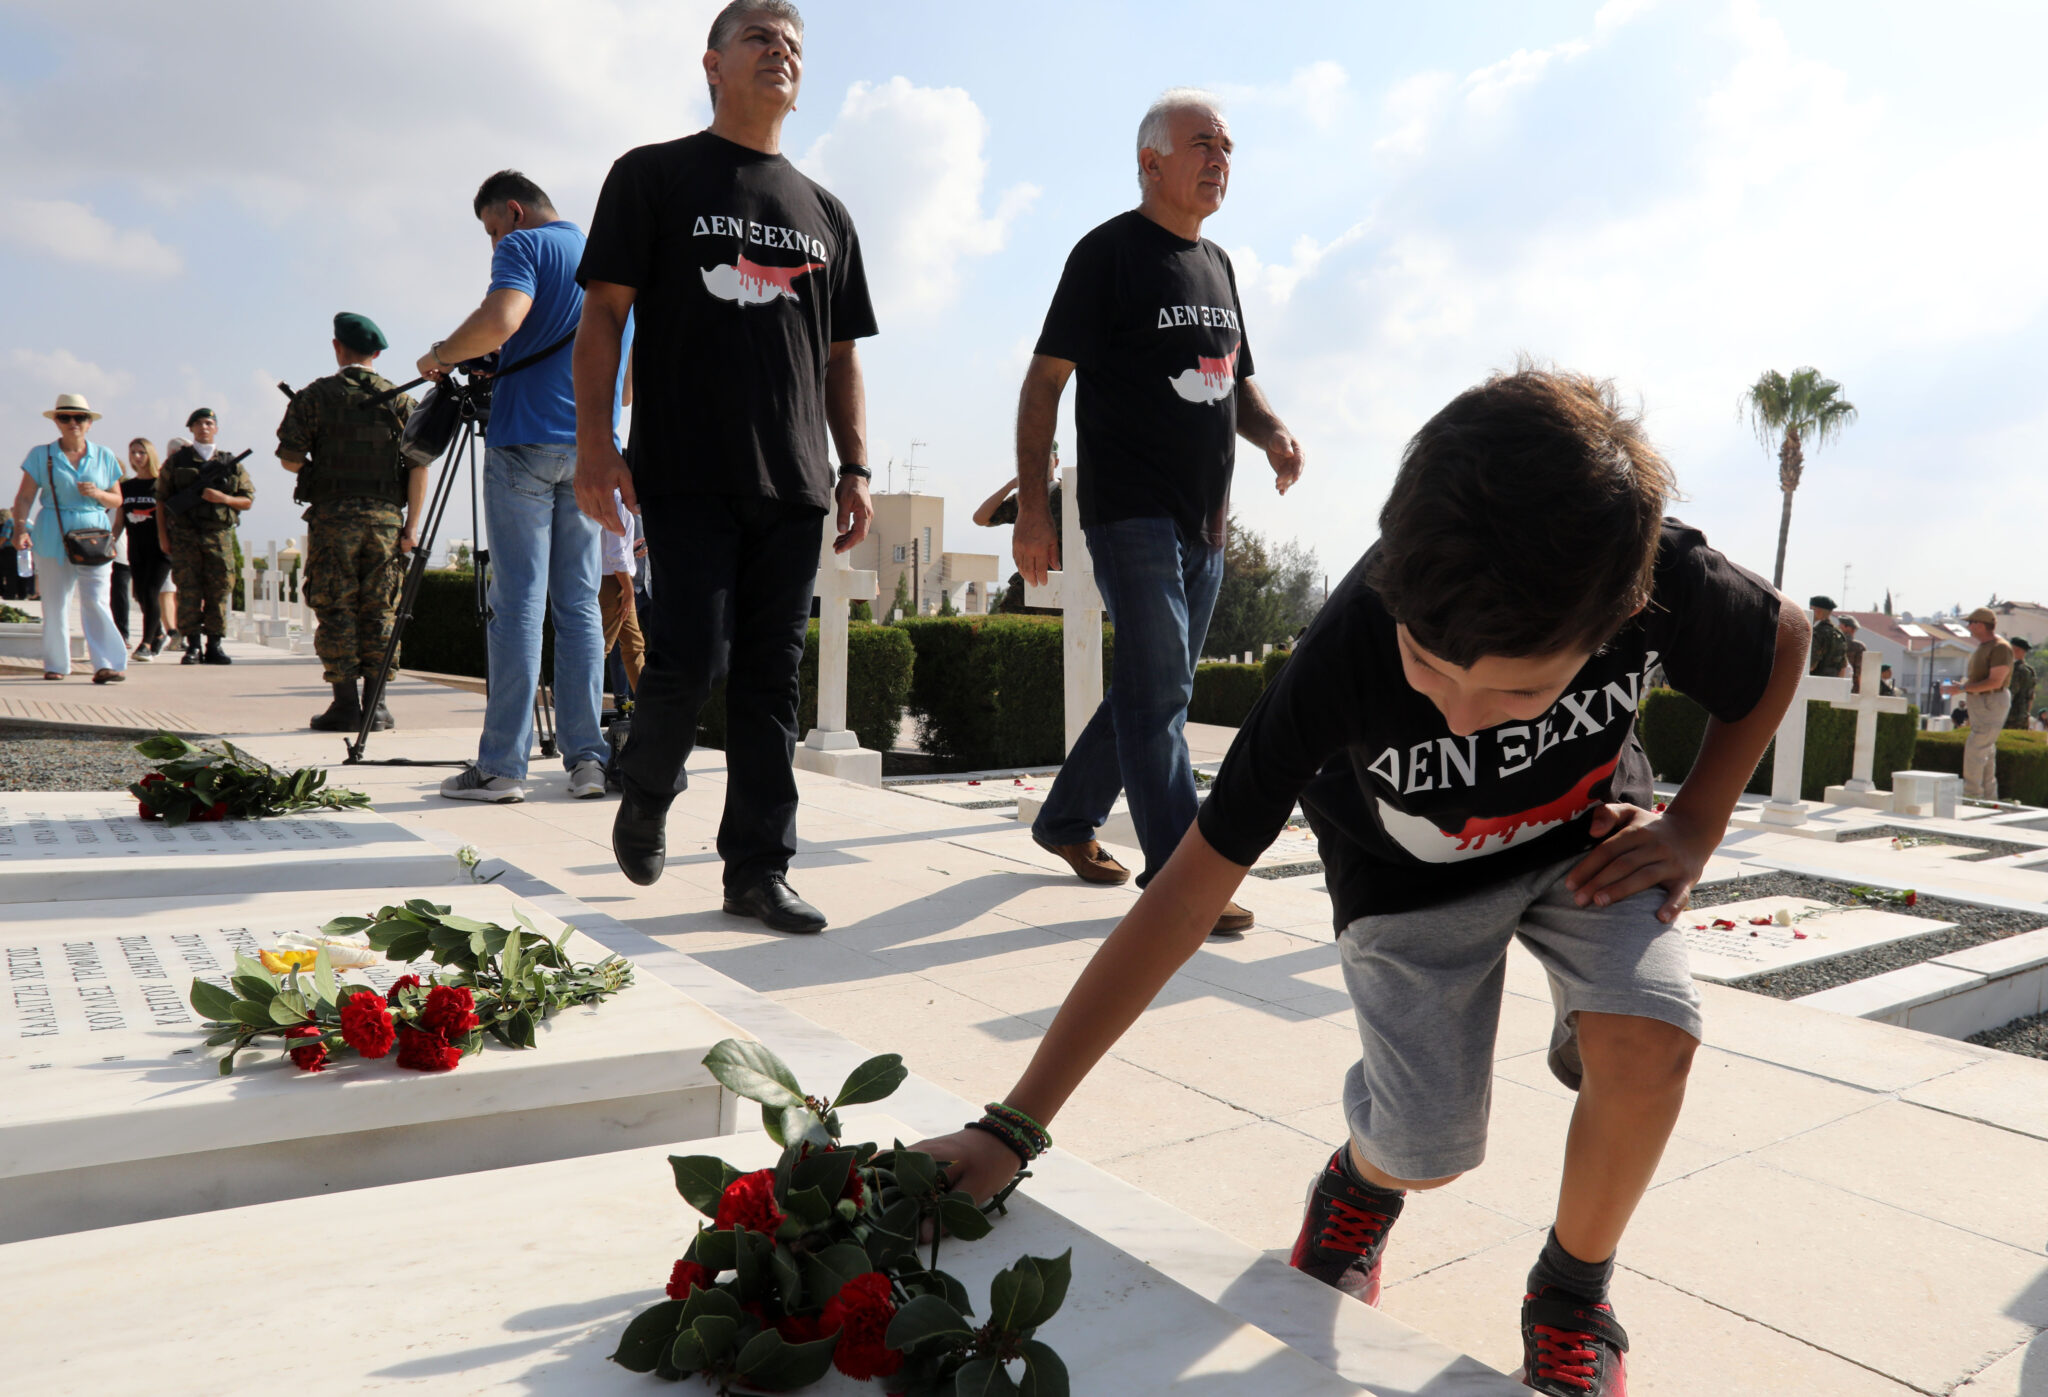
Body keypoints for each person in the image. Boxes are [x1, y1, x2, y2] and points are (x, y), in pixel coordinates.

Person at [914, 368, 1806, 1397]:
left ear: (1625, 613)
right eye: (1429, 666)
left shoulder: (1654, 577)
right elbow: (1185, 893)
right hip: (1407, 874)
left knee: (1649, 1035)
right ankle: (1360, 1185)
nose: (1465, 717)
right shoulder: (1341, 650)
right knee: (1425, 1145)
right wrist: (1010, 1126)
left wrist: (1693, 824)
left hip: (1586, 838)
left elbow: (1778, 632)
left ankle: (1570, 1291)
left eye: (1519, 687)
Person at [572, 0, 878, 934]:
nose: (780, 50)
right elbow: (604, 316)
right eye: (760, 37)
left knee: (769, 679)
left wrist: (855, 466)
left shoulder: (827, 211)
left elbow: (840, 357)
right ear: (713, 64)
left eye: (792, 43)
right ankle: (649, 785)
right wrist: (594, 442)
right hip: (686, 464)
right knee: (690, 653)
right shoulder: (652, 175)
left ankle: (756, 866)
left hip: (794, 481)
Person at [1011, 88, 1304, 936]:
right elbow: (1043, 385)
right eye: (1203, 143)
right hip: (1127, 510)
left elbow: (1234, 381)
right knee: (1166, 684)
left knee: (1148, 683)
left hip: (1205, 517)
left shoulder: (1219, 266)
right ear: (1151, 162)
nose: (1221, 158)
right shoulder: (1106, 256)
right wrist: (1035, 509)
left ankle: (1065, 819)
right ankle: (1183, 876)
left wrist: (1273, 430)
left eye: (1228, 146)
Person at [421, 170, 620, 803]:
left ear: (512, 212)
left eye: (489, 230)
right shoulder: (605, 253)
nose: (491, 243)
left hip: (523, 443)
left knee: (519, 606)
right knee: (581, 605)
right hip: (591, 447)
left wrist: (443, 354)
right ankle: (588, 760)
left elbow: (502, 317)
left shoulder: (524, 246)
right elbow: (627, 370)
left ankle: (503, 768)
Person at [277, 312, 425, 733]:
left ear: (336, 347)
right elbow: (418, 466)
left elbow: (289, 460)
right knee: (381, 609)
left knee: (335, 605)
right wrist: (410, 528)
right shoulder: (401, 400)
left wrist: (320, 466)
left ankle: (344, 706)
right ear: (377, 353)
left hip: (332, 521)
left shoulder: (314, 397)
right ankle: (376, 707)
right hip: (385, 523)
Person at [9, 394, 130, 683]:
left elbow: (116, 499)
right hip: (52, 532)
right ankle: (57, 664)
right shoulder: (41, 455)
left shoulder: (105, 455)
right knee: (54, 601)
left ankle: (107, 664)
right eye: (65, 417)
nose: (73, 423)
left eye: (79, 417)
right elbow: (25, 496)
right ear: (56, 421)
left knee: (97, 600)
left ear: (89, 423)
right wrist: (19, 529)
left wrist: (97, 494)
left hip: (94, 537)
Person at [160, 407, 253, 664]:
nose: (204, 428)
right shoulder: (177, 462)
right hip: (185, 536)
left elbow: (247, 500)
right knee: (189, 590)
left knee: (220, 589)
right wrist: (163, 537)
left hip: (218, 535)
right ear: (190, 429)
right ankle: (192, 645)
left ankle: (215, 644)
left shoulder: (229, 463)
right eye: (199, 423)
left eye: (209, 423)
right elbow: (162, 501)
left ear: (216, 428)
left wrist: (223, 498)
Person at [975, 441, 1063, 614]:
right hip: (1029, 581)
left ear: (1056, 462)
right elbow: (980, 518)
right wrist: (1011, 485)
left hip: (1064, 581)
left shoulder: (1070, 492)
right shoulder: (1024, 500)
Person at [1944, 607, 2013, 798]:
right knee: (1986, 750)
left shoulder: (2000, 647)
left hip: (1990, 700)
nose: (1968, 626)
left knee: (1976, 748)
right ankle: (1988, 799)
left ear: (1980, 625)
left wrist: (1963, 688)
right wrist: (1963, 687)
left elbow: (1995, 681)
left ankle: (1971, 796)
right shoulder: (1986, 646)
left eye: (1971, 622)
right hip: (1982, 700)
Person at [120, 438, 172, 659]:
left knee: (151, 592)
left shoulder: (161, 484)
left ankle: (147, 643)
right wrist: (109, 541)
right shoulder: (126, 486)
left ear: (150, 454)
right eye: (133, 453)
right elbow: (120, 522)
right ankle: (159, 633)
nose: (137, 457)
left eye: (141, 452)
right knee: (140, 595)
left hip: (160, 548)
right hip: (136, 547)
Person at [599, 489, 645, 696]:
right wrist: (627, 590)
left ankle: (648, 712)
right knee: (601, 647)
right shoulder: (615, 498)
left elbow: (616, 549)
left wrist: (630, 550)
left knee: (634, 646)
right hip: (614, 582)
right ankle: (570, 699)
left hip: (615, 579)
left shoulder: (613, 497)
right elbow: (614, 553)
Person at [1807, 595, 1846, 677]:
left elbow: (1810, 666)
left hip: (1814, 682)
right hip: (1832, 683)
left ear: (1818, 611)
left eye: (1811, 609)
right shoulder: (1839, 633)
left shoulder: (1818, 633)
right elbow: (1843, 667)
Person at [2006, 637, 2035, 730]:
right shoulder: (2029, 670)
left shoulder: (2016, 670)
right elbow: (2031, 696)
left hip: (2010, 715)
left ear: (2016, 649)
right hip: (2022, 715)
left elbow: (2011, 692)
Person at [1839, 613, 1865, 691]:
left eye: (1841, 625)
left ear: (1848, 628)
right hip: (1852, 686)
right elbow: (1860, 672)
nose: (1839, 626)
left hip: (1834, 684)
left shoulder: (1834, 642)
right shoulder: (1859, 646)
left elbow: (1859, 670)